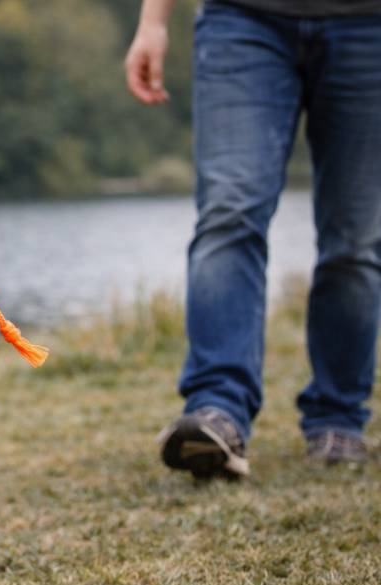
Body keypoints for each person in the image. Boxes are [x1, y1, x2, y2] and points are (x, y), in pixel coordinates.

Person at [124, 0, 381, 478]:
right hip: (242, 18)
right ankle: (218, 409)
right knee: (229, 213)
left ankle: (338, 416)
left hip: (369, 24)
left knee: (356, 238)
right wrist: (153, 22)